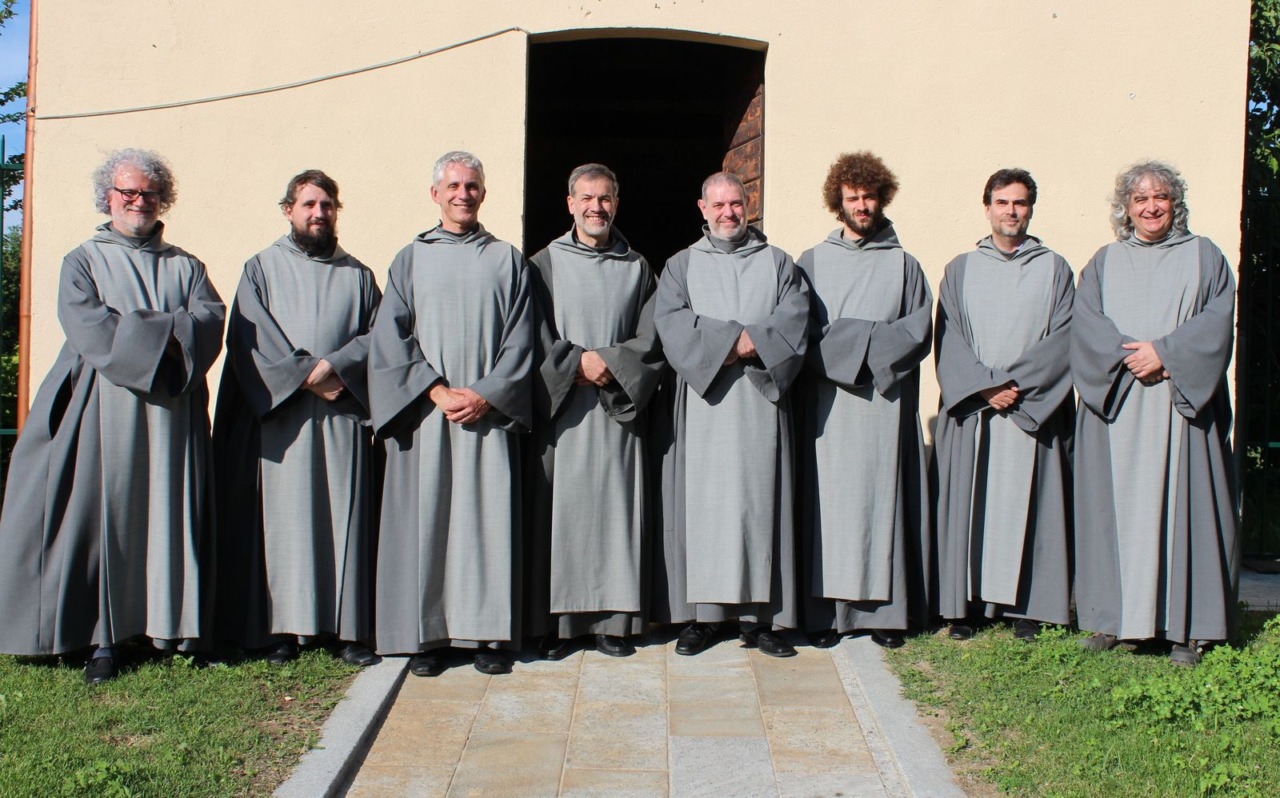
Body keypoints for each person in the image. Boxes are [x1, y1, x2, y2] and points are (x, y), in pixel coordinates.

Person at [0, 149, 224, 684]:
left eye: (148, 193)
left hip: (173, 412)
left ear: (161, 198)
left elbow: (208, 322)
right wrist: (166, 332)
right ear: (108, 196)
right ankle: (105, 636)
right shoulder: (83, 261)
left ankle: (171, 628)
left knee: (170, 512)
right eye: (127, 192)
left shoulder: (187, 266)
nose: (138, 201)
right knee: (109, 517)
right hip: (103, 406)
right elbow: (90, 327)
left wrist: (150, 329)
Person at [368, 151, 533, 676]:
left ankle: (486, 634)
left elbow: (523, 339)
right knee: (430, 520)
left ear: (484, 194)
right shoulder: (409, 260)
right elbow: (390, 338)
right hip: (427, 415)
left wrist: (486, 393)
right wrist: (435, 391)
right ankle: (429, 637)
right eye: (455, 185)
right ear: (435, 194)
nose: (464, 194)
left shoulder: (508, 259)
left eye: (474, 186)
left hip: (488, 415)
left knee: (486, 521)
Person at [1071, 161, 1238, 666]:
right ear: (1125, 207)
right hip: (1121, 400)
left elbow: (1217, 322)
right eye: (1140, 198)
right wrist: (1130, 358)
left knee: (1187, 510)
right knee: (1112, 512)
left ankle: (1189, 628)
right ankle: (1113, 620)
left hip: (1179, 406)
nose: (1150, 207)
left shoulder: (1205, 257)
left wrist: (1165, 352)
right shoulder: (1104, 261)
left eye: (1160, 196)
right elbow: (1087, 323)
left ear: (1175, 202)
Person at [214, 170, 381, 667]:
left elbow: (379, 339)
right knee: (283, 527)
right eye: (308, 204)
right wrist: (309, 374)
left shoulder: (358, 275)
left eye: (327, 204)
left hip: (340, 417)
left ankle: (346, 630)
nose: (318, 213)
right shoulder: (261, 269)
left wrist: (337, 368)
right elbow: (249, 338)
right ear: (288, 209)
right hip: (281, 421)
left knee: (343, 520)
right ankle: (281, 630)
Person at [652, 171, 809, 658]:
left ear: (749, 204)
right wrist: (737, 341)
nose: (728, 214)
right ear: (702, 209)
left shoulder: (780, 264)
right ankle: (704, 619)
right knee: (705, 508)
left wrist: (748, 343)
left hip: (760, 405)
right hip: (705, 408)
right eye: (718, 205)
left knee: (758, 507)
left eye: (736, 204)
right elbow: (672, 324)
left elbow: (795, 318)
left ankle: (762, 620)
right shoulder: (680, 266)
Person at [526, 164, 665, 659]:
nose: (596, 208)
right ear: (569, 204)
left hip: (615, 412)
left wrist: (608, 363)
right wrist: (574, 363)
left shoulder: (638, 268)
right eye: (586, 198)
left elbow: (651, 340)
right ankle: (555, 625)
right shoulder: (541, 265)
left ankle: (611, 620)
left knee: (614, 513)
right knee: (558, 515)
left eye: (605, 199)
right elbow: (530, 334)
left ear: (616, 203)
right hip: (562, 413)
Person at [932, 168, 1075, 642]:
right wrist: (983, 388)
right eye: (1002, 202)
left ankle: (1026, 607)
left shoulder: (1054, 268)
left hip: (1029, 409)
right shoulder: (961, 269)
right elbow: (948, 339)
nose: (1011, 211)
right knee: (974, 504)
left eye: (1020, 203)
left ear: (1031, 209)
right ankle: (965, 606)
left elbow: (1063, 339)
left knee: (1030, 503)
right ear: (987, 206)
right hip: (979, 409)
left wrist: (1015, 387)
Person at [796, 152, 932, 650]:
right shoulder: (812, 262)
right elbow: (802, 332)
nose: (861, 204)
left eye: (869, 196)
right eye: (851, 197)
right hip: (829, 406)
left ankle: (883, 616)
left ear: (882, 197)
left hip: (883, 401)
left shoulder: (904, 265)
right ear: (838, 201)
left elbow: (918, 330)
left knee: (880, 501)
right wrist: (863, 344)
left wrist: (857, 345)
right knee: (828, 506)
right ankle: (827, 615)